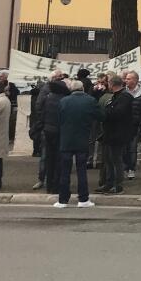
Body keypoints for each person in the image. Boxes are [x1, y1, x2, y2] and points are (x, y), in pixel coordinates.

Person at [54, 80, 104, 209]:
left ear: (71, 89)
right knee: (81, 170)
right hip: (82, 138)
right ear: (83, 89)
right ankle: (83, 199)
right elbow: (100, 116)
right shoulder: (90, 101)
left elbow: (58, 119)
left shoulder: (63, 101)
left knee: (65, 171)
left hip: (66, 139)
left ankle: (62, 200)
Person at [97, 75, 132, 194]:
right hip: (110, 133)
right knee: (108, 159)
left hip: (118, 133)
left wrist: (106, 112)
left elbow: (118, 113)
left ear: (112, 84)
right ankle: (109, 183)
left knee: (116, 160)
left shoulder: (124, 97)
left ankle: (118, 185)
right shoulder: (116, 96)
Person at [36, 77, 70, 192]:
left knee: (49, 158)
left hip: (47, 130)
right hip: (60, 131)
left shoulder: (47, 98)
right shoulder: (65, 100)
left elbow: (41, 113)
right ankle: (57, 184)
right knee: (59, 159)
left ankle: (49, 184)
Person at [123, 70, 141, 180]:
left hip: (135, 124)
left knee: (132, 147)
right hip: (123, 124)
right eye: (126, 79)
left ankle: (131, 169)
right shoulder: (123, 92)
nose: (126, 81)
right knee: (124, 147)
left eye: (128, 79)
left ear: (135, 80)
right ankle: (124, 167)